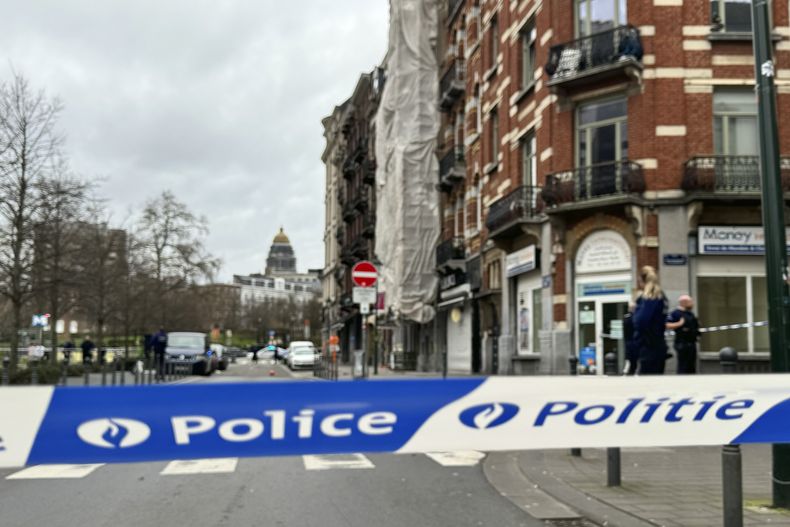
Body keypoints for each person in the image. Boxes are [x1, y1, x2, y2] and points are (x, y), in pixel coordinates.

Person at [633, 266, 669, 375]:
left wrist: (634, 311)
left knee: (646, 380)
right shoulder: (661, 296)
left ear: (641, 281)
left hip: (648, 346)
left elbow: (641, 322)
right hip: (659, 344)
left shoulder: (649, 298)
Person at [666, 295, 701, 374]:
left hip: (692, 343)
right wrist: (679, 324)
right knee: (683, 366)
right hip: (682, 343)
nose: (692, 304)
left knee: (691, 367)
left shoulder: (690, 313)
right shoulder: (675, 313)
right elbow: (667, 324)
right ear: (684, 302)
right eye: (690, 302)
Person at [623, 302, 638, 375]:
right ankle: (633, 371)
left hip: (628, 341)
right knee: (634, 358)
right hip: (635, 341)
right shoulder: (636, 317)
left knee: (629, 358)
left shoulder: (626, 317)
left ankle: (627, 371)